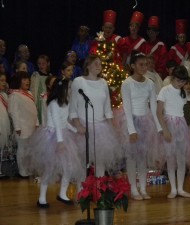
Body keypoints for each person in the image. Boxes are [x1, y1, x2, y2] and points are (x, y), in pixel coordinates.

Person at [27, 78, 83, 208]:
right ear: (62, 89)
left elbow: (64, 122)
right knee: (49, 168)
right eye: (69, 88)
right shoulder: (53, 104)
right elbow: (57, 123)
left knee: (69, 166)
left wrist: (75, 130)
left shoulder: (66, 103)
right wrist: (60, 141)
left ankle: (63, 193)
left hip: (63, 135)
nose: (71, 90)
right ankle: (42, 198)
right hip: (52, 137)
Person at [69, 54, 121, 178]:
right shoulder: (78, 81)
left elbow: (107, 108)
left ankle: (99, 191)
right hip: (83, 126)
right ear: (88, 66)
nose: (99, 66)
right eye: (96, 63)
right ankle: (81, 192)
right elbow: (73, 108)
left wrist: (112, 128)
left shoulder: (103, 82)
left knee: (100, 160)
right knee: (82, 161)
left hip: (100, 127)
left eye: (100, 63)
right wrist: (78, 125)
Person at [121, 51, 162, 200]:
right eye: (141, 64)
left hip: (146, 122)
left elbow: (153, 106)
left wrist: (158, 128)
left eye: (146, 64)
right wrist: (131, 130)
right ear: (133, 66)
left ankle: (143, 188)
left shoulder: (150, 83)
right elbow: (126, 107)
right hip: (131, 121)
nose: (144, 67)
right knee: (132, 157)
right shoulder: (127, 83)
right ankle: (133, 188)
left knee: (143, 157)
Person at [157, 65, 190, 199]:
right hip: (169, 124)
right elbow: (159, 112)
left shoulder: (183, 92)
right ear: (172, 78)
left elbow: (181, 109)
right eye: (178, 81)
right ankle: (173, 189)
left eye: (183, 81)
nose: (181, 84)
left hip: (181, 124)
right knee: (170, 158)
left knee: (181, 158)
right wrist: (165, 130)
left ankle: (180, 188)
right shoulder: (165, 90)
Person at [8, 71, 39, 177]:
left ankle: (29, 169)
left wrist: (36, 122)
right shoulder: (14, 95)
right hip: (22, 127)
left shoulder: (29, 93)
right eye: (24, 79)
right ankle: (22, 171)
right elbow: (14, 112)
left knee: (30, 150)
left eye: (28, 79)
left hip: (31, 126)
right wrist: (17, 127)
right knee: (22, 149)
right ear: (18, 81)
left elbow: (34, 110)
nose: (27, 81)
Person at [30, 55, 51, 124]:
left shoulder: (50, 76)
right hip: (39, 101)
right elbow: (33, 89)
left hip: (48, 101)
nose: (41, 66)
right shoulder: (35, 75)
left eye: (43, 63)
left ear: (48, 64)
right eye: (39, 63)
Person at [0, 73, 10, 177]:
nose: (4, 82)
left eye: (5, 80)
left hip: (4, 124)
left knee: (2, 148)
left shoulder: (4, 95)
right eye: (2, 80)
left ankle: (0, 170)